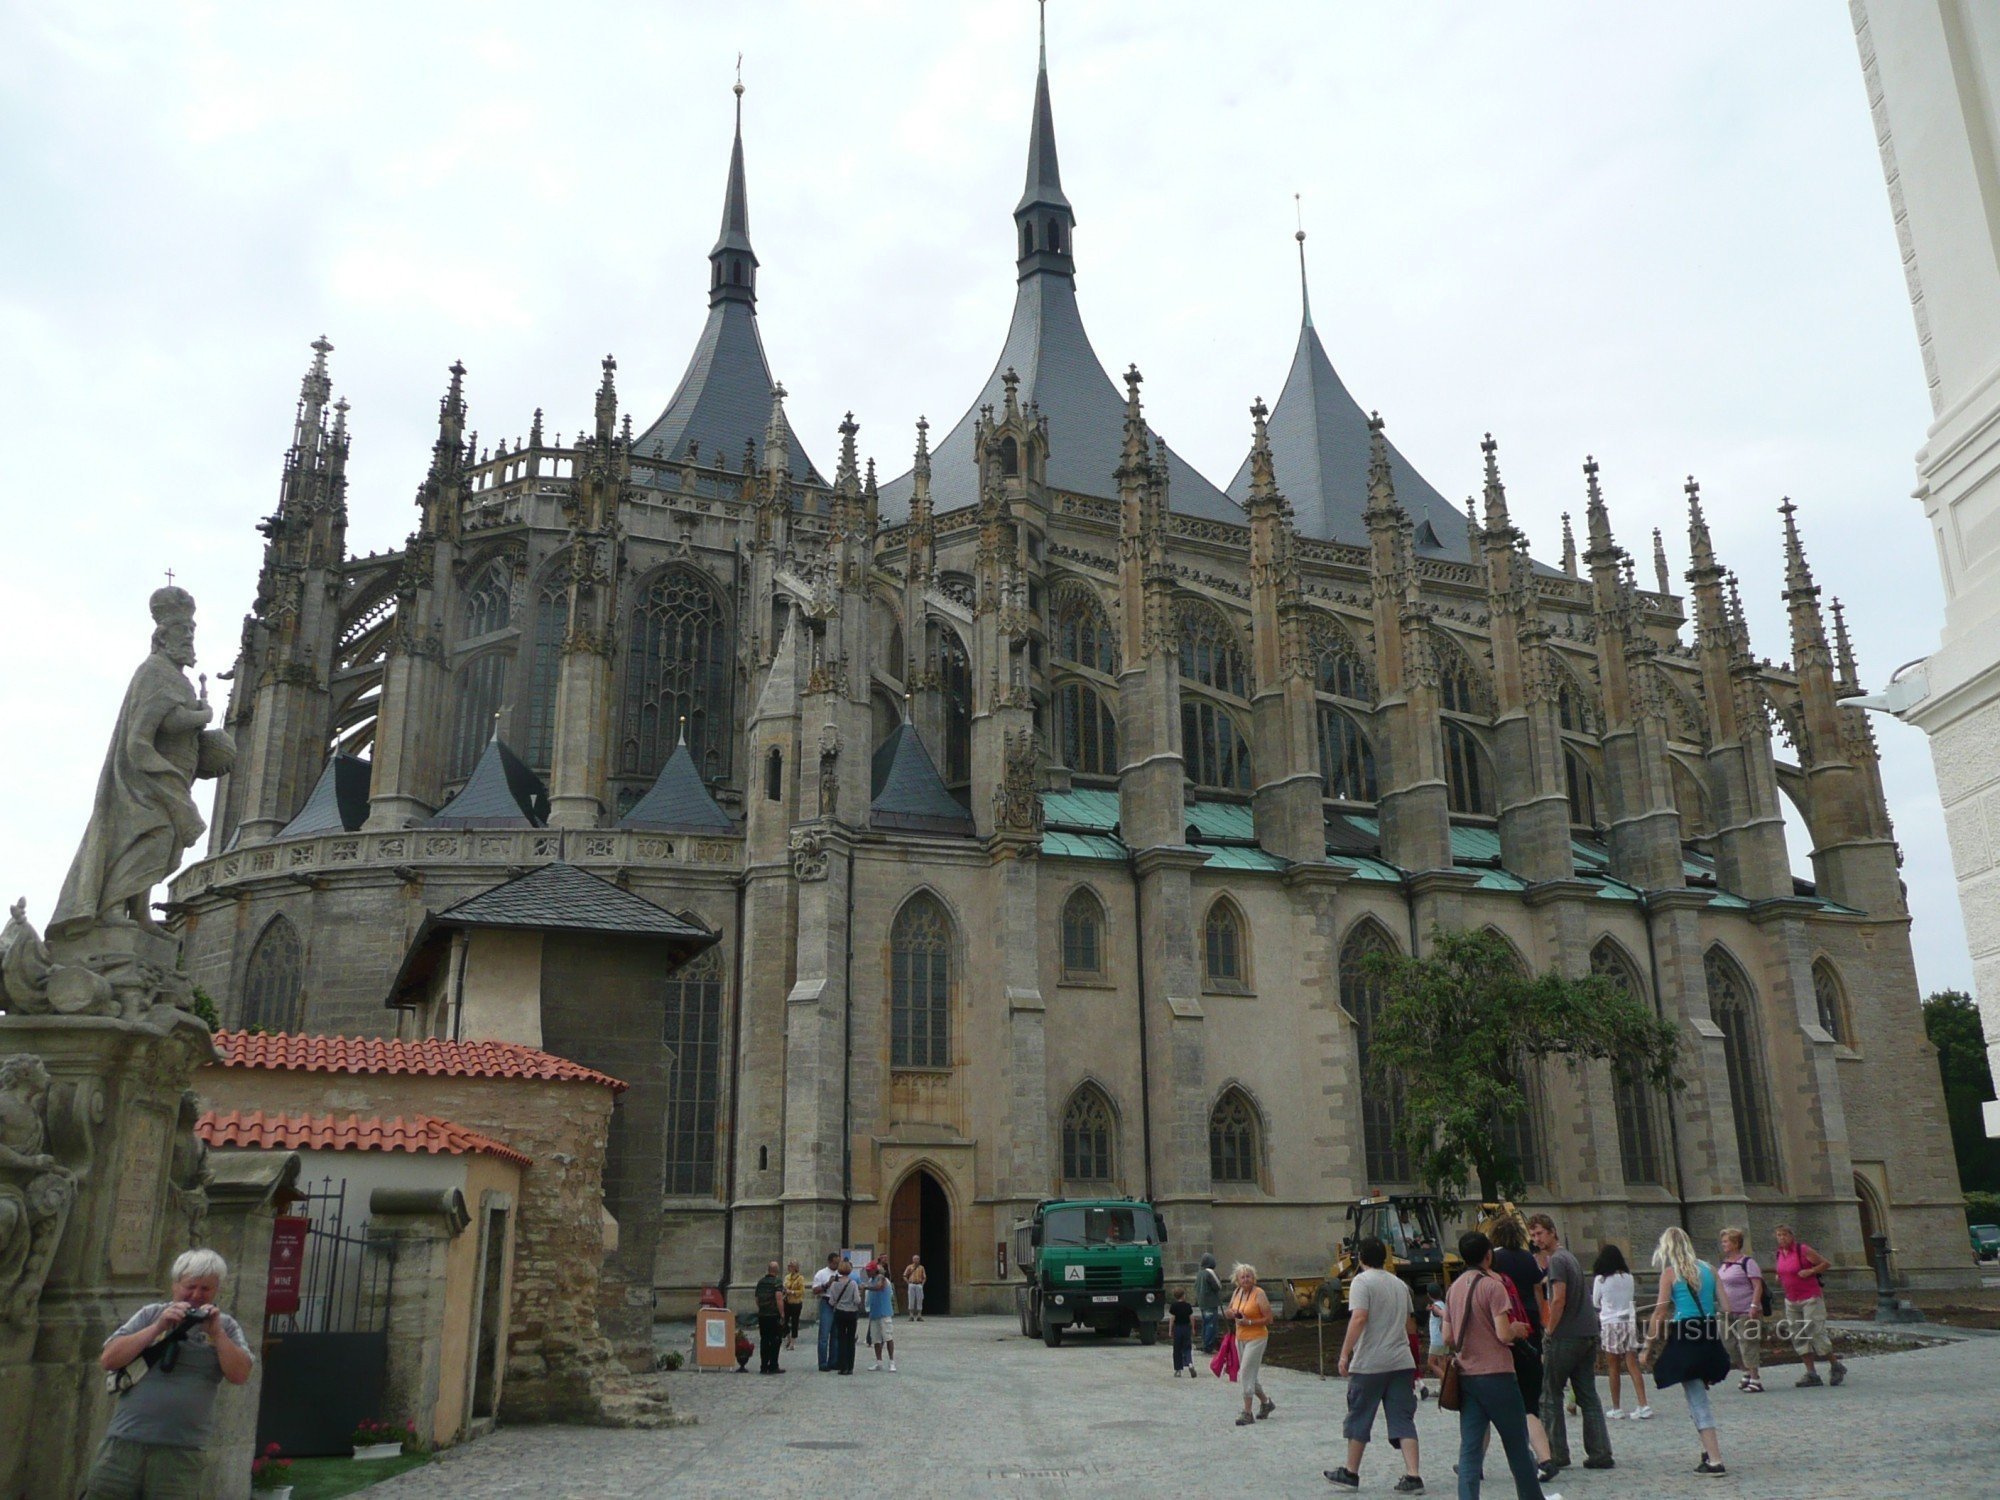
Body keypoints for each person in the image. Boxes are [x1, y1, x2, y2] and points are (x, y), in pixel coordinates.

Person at [86, 1248, 254, 1500]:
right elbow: (109, 1359)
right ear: (175, 1285)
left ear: (216, 1290)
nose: (196, 1295)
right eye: (190, 1286)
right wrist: (158, 1328)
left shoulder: (226, 1326)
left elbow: (240, 1375)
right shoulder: (151, 1314)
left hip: (181, 1451)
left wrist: (217, 1335)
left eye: (206, 1288)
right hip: (124, 1444)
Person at [1440, 1231, 1559, 1500]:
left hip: (1468, 1377)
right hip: (1497, 1375)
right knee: (1516, 1445)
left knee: (1470, 1450)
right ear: (1488, 1255)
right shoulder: (1493, 1287)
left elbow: (1448, 1337)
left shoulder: (1454, 1288)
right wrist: (1516, 1329)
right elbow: (1504, 1334)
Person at [1325, 1236, 1424, 1493]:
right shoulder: (1400, 1285)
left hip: (1371, 1362)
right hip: (1401, 1361)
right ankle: (1413, 1475)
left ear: (1360, 1258)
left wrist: (1345, 1353)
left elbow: (1359, 1318)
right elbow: (1409, 1323)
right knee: (1403, 1418)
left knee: (1359, 1415)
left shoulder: (1361, 1281)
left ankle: (1351, 1472)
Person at [1526, 1214, 1612, 1477]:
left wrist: (1549, 1332)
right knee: (1588, 1395)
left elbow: (1559, 1299)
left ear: (1553, 1232)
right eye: (1533, 1235)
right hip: (1587, 1333)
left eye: (1540, 1233)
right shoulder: (1570, 1257)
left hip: (1566, 1336)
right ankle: (1600, 1453)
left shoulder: (1558, 1261)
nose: (1536, 1239)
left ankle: (1557, 1453)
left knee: (1550, 1395)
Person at [1640, 1226, 1729, 1477]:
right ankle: (1708, 1451)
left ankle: (1715, 1459)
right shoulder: (1710, 1270)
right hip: (1708, 1334)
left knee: (1696, 1397)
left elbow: (1659, 1313)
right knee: (1696, 1392)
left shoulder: (1670, 1274)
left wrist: (1647, 1347)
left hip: (1685, 1335)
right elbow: (1727, 1305)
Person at [1487, 1220, 1554, 1477]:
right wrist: (1540, 1321)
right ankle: (1544, 1457)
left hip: (1507, 1326)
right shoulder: (1528, 1258)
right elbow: (1538, 1291)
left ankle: (1474, 1463)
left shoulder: (1496, 1260)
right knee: (1529, 1397)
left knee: (1485, 1407)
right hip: (1530, 1327)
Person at [1771, 1225, 1845, 1388]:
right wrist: (1779, 1275)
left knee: (1815, 1331)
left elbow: (1826, 1263)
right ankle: (1811, 1373)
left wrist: (1811, 1271)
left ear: (1791, 1235)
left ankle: (1835, 1365)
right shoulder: (1779, 1253)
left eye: (1784, 1235)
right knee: (1798, 1335)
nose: (1782, 1238)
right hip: (1791, 1299)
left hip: (1810, 1297)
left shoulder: (1802, 1249)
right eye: (1778, 1235)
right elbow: (1784, 1270)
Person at [1589, 1244, 1649, 1419]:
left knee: (1613, 1367)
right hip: (1628, 1321)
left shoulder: (1601, 1280)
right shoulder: (1628, 1277)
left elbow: (1595, 1302)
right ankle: (1643, 1404)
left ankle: (1616, 1407)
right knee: (1632, 1364)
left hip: (1610, 1323)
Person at [1225, 1263, 1275, 1427]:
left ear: (1254, 1278)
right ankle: (1266, 1402)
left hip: (1257, 1337)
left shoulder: (1259, 1294)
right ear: (1237, 1280)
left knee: (1246, 1372)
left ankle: (1247, 1412)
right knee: (1250, 1374)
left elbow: (1269, 1318)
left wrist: (1250, 1321)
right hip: (1240, 1337)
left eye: (1248, 1276)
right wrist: (1231, 1313)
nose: (1246, 1279)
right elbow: (1228, 1310)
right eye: (1242, 1277)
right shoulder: (1237, 1292)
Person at [1715, 1228, 1765, 1393]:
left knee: (1747, 1343)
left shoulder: (1747, 1262)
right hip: (1726, 1311)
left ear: (1736, 1243)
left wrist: (1754, 1306)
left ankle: (1755, 1378)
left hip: (1746, 1310)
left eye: (1726, 1241)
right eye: (1723, 1241)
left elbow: (1757, 1286)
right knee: (1728, 1343)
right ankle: (1745, 1371)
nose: (1723, 1244)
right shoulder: (1724, 1263)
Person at [829, 1256, 864, 1374]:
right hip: (851, 1313)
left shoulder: (834, 1284)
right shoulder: (853, 1283)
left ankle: (842, 1366)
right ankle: (850, 1367)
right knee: (850, 1339)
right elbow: (857, 1300)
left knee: (841, 1339)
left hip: (839, 1313)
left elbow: (832, 1301)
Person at [753, 1259, 786, 1374]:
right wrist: (782, 1314)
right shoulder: (777, 1282)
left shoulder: (760, 1282)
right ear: (777, 1270)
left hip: (763, 1315)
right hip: (773, 1315)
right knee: (775, 1340)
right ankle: (773, 1365)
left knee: (764, 1340)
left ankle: (763, 1365)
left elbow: (757, 1298)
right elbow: (779, 1298)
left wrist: (762, 1308)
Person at [811, 1250, 842, 1371]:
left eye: (838, 1263)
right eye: (835, 1263)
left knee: (836, 1335)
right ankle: (822, 1362)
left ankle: (833, 1361)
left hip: (838, 1303)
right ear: (829, 1262)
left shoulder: (840, 1273)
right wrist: (827, 1284)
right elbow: (814, 1290)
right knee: (824, 1335)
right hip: (826, 1302)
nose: (836, 1265)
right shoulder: (821, 1273)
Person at [864, 1260, 897, 1372]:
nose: (867, 1272)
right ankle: (879, 1362)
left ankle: (892, 1362)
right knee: (876, 1339)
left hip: (884, 1313)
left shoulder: (881, 1278)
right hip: (874, 1313)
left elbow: (879, 1287)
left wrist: (866, 1287)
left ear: (875, 1270)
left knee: (888, 1337)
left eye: (869, 1270)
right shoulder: (871, 1280)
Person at [1423, 1282, 1449, 1401]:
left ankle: (1447, 1385)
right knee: (1441, 1362)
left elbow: (1441, 1314)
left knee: (1431, 1363)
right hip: (1443, 1339)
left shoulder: (1436, 1307)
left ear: (1429, 1295)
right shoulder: (1442, 1304)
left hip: (1437, 1340)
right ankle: (1442, 1387)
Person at [1197, 1252, 1225, 1354]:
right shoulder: (1210, 1272)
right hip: (1211, 1303)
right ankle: (1209, 1347)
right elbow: (1218, 1286)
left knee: (1205, 1324)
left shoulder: (1200, 1273)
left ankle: (1204, 1343)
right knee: (1211, 1325)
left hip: (1202, 1303)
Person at [1167, 1285, 1196, 1376]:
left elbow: (1172, 1318)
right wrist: (1193, 1328)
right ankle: (1190, 1363)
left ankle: (1178, 1369)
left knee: (1177, 1349)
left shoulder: (1174, 1306)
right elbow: (1191, 1317)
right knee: (1187, 1347)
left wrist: (1170, 1330)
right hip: (1186, 1328)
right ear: (1183, 1295)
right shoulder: (1187, 1306)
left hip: (1178, 1328)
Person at [782, 1260, 807, 1351]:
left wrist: (792, 1292)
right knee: (784, 1322)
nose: (789, 1267)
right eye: (789, 1266)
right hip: (787, 1302)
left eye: (791, 1266)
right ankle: (788, 1338)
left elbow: (802, 1291)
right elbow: (784, 1287)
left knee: (794, 1323)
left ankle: (792, 1342)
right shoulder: (787, 1277)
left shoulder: (800, 1278)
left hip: (796, 1303)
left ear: (795, 1268)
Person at [903, 1253, 927, 1321]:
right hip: (912, 1284)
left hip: (919, 1284)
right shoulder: (909, 1267)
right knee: (911, 1299)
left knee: (920, 1299)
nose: (916, 1260)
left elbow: (924, 1277)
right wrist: (908, 1283)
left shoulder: (921, 1267)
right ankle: (911, 1315)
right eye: (915, 1259)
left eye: (917, 1259)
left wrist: (922, 1284)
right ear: (912, 1260)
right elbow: (904, 1275)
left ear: (919, 1260)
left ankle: (919, 1315)